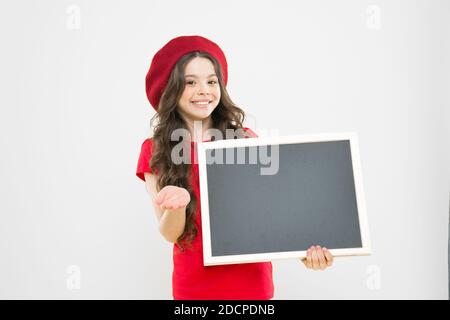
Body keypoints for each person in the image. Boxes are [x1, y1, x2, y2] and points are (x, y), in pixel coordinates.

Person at [136, 35, 334, 300]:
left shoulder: (244, 139)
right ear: (171, 89)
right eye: (190, 82)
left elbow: (274, 212)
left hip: (252, 284)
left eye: (211, 81)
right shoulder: (155, 149)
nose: (204, 90)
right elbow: (171, 234)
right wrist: (177, 206)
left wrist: (305, 252)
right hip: (194, 288)